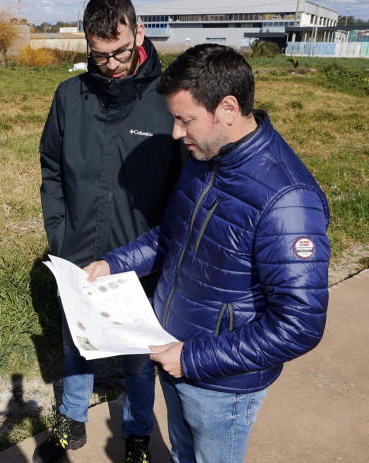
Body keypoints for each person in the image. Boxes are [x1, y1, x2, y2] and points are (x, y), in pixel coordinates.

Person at [84, 44, 330, 463]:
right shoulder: (204, 156)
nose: (177, 133)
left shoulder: (289, 200)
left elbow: (300, 324)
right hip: (172, 352)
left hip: (222, 385)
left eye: (185, 119)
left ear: (228, 108)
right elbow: (172, 235)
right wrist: (114, 263)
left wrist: (193, 358)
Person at [36, 0, 185, 461]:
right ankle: (72, 422)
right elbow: (52, 170)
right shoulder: (69, 96)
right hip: (79, 250)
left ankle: (138, 433)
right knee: (76, 344)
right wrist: (61, 238)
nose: (112, 65)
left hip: (141, 257)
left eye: (119, 52)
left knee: (141, 358)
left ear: (139, 32)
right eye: (99, 55)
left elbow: (184, 183)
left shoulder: (167, 99)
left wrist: (163, 249)